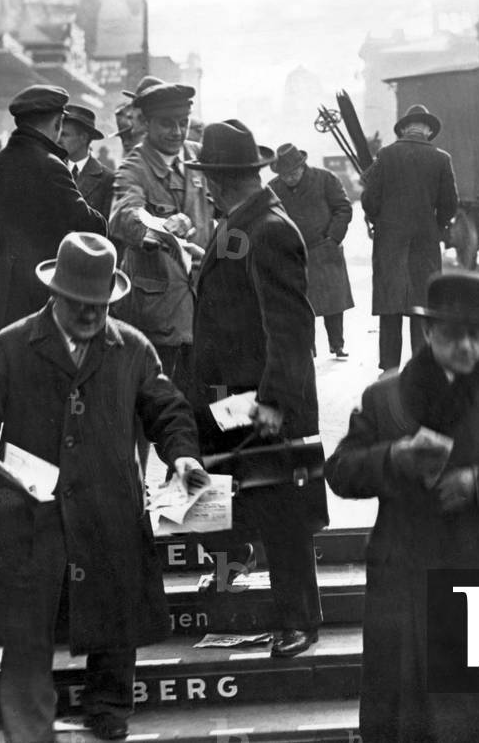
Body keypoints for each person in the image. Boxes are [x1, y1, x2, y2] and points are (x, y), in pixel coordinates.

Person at [0, 231, 205, 743]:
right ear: (55, 294)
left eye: (101, 305)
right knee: (27, 621)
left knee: (115, 606)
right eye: (81, 304)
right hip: (32, 511)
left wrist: (183, 455)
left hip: (108, 502)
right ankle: (27, 723)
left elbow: (167, 409)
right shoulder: (14, 344)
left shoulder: (132, 347)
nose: (92, 314)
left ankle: (108, 706)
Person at [325, 271, 479, 742]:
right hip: (410, 579)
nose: (466, 347)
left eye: (475, 335)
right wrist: (393, 457)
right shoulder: (386, 396)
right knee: (410, 718)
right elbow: (340, 471)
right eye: (452, 335)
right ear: (426, 332)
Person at [185, 121, 323, 658]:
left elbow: (290, 327)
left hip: (260, 402)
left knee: (282, 511)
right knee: (241, 500)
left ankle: (299, 621)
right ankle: (239, 591)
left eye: (208, 179)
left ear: (221, 180)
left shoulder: (268, 229)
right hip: (231, 400)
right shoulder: (241, 223)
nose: (205, 188)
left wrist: (272, 401)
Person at [0, 85, 107, 344]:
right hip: (43, 291)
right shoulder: (52, 167)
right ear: (58, 122)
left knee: (3, 366)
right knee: (41, 371)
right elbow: (93, 227)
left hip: (3, 288)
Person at [108, 79, 213, 399]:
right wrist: (161, 225)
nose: (177, 132)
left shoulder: (199, 158)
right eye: (167, 124)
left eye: (182, 123)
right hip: (156, 313)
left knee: (203, 407)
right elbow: (125, 215)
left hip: (203, 308)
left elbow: (227, 210)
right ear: (147, 123)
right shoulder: (134, 167)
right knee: (150, 405)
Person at [361, 103, 459, 372]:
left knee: (390, 304)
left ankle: (389, 367)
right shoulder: (441, 159)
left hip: (389, 243)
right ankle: (422, 365)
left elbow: (369, 201)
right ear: (427, 130)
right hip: (425, 244)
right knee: (422, 304)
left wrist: (381, 221)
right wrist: (434, 226)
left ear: (404, 129)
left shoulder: (386, 155)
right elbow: (450, 204)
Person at [268, 142, 355, 358]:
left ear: (302, 166)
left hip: (324, 248)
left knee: (333, 301)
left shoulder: (325, 179)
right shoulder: (273, 188)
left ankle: (337, 344)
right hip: (292, 253)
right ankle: (308, 347)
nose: (289, 178)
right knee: (300, 304)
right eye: (285, 174)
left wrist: (333, 238)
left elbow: (343, 208)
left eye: (293, 172)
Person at [60, 104, 114, 221]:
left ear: (84, 138)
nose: (58, 139)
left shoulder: (107, 179)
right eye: (58, 133)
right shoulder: (50, 169)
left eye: (64, 135)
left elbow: (106, 229)